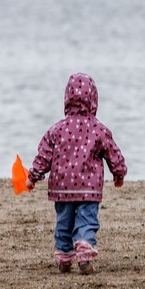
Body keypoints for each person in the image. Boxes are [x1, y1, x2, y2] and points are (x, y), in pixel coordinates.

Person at [26, 72, 127, 275]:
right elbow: (113, 152)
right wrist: (119, 173)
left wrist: (32, 177)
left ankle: (64, 257)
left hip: (62, 188)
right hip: (88, 188)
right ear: (94, 100)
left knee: (64, 221)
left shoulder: (57, 130)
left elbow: (44, 155)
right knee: (87, 219)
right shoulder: (99, 130)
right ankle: (84, 248)